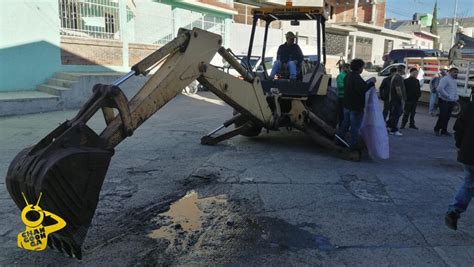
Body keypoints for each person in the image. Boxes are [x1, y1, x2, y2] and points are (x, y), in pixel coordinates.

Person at [444, 92, 474, 230]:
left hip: (468, 154)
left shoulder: (470, 106)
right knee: (469, 184)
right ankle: (454, 211)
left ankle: (454, 211)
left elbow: (458, 128)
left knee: (469, 184)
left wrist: (460, 146)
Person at [337, 59, 376, 150]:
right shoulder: (356, 77)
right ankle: (352, 146)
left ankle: (339, 140)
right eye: (362, 67)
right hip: (355, 107)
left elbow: (357, 87)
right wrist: (371, 83)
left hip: (347, 105)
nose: (363, 69)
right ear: (359, 68)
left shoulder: (348, 76)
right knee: (355, 127)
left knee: (345, 124)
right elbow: (362, 89)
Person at [434, 67, 459, 136]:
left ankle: (444, 131)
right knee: (442, 116)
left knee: (447, 117)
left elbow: (454, 90)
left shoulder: (453, 81)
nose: (456, 74)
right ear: (450, 72)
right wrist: (447, 96)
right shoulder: (445, 79)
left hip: (451, 102)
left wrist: (456, 97)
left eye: (457, 72)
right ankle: (436, 129)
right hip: (444, 101)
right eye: (454, 72)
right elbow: (440, 88)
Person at [387, 65, 407, 136]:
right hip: (396, 99)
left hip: (394, 99)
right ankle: (393, 129)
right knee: (396, 114)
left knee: (396, 114)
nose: (405, 71)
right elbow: (398, 89)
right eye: (405, 69)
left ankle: (389, 126)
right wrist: (401, 98)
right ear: (401, 70)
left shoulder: (396, 77)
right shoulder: (398, 77)